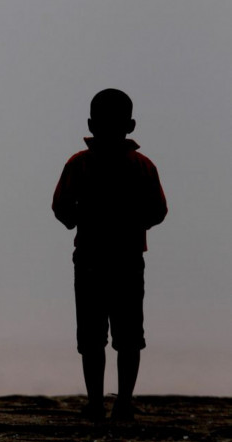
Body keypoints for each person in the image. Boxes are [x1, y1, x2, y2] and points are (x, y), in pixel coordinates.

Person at [52, 89, 167, 422]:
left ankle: (96, 403)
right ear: (130, 125)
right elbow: (158, 210)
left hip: (90, 259)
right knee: (127, 336)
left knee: (93, 337)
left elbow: (61, 207)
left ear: (91, 124)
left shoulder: (80, 164)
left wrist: (77, 218)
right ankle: (122, 404)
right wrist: (134, 224)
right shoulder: (142, 166)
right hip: (128, 260)